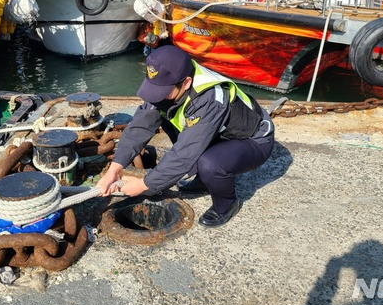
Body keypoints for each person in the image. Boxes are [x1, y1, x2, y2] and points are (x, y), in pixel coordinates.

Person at [97, 45, 275, 227]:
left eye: (164, 91)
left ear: (187, 82)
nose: (158, 96)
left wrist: (144, 185)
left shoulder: (209, 98)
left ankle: (227, 204)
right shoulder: (170, 82)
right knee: (164, 114)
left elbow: (185, 154)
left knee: (211, 164)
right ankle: (204, 181)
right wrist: (114, 169)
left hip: (253, 139)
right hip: (218, 132)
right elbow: (139, 127)